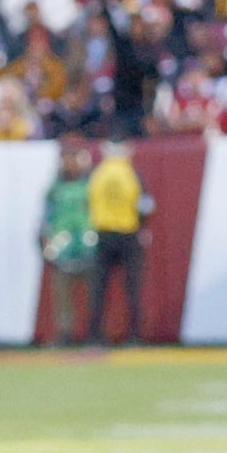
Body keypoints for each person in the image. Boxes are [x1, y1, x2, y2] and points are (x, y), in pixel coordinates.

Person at [85, 138, 150, 346]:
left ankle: (95, 336)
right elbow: (145, 205)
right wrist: (140, 225)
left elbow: (87, 202)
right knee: (133, 288)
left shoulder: (98, 174)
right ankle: (135, 336)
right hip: (128, 234)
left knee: (98, 289)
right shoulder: (131, 173)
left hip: (103, 234)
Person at [40, 136, 98, 345]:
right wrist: (46, 241)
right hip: (62, 246)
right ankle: (65, 333)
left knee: (94, 293)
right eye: (67, 158)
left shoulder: (91, 183)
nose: (70, 163)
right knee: (62, 295)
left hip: (88, 244)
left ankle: (94, 333)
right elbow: (46, 217)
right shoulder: (55, 187)